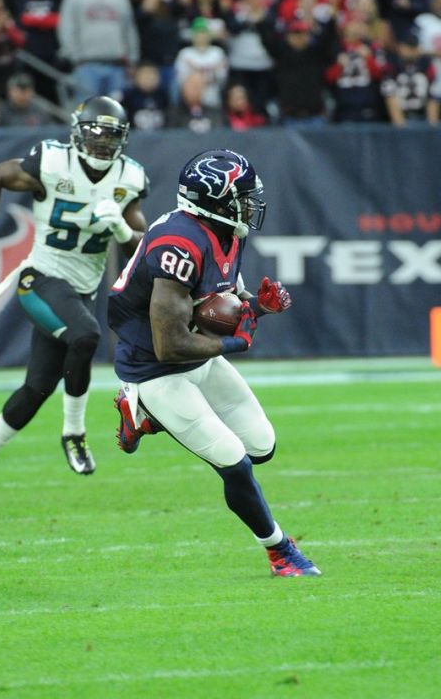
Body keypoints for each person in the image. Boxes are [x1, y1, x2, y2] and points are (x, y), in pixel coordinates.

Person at [106, 149, 321, 578]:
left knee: (262, 447)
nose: (250, 203)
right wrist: (234, 345)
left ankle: (144, 417)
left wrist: (257, 307)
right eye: (242, 196)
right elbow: (170, 345)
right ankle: (280, 552)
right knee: (233, 461)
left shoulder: (227, 231)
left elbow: (221, 303)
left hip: (193, 350)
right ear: (215, 201)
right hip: (155, 365)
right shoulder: (178, 245)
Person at [0, 97, 149, 503]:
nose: (100, 144)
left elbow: (144, 245)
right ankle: (75, 433)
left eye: (109, 137)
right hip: (40, 277)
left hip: (81, 288)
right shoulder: (51, 160)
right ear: (77, 131)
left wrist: (120, 228)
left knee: (38, 387)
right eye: (94, 134)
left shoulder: (129, 178)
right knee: (85, 336)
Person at [58, 0, 139, 99]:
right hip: (86, 65)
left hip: (116, 65)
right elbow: (66, 29)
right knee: (88, 110)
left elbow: (129, 29)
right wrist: (75, 56)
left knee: (116, 111)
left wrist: (132, 59)